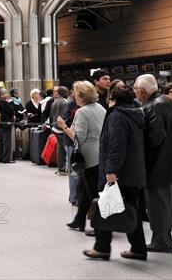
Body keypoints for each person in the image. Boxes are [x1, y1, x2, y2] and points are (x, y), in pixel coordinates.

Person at [82, 86, 148, 261]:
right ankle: (138, 248)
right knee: (131, 209)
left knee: (106, 207)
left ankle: (102, 248)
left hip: (120, 173)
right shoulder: (135, 114)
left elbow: (116, 147)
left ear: (114, 100)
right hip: (133, 171)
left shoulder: (117, 116)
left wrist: (111, 171)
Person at [134, 74, 172, 252]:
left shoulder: (153, 106)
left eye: (136, 90)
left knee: (156, 205)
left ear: (143, 92)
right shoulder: (165, 101)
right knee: (162, 201)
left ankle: (161, 241)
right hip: (171, 160)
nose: (135, 93)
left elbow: (154, 139)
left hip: (158, 164)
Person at [59, 81, 106, 235]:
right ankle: (79, 220)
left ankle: (99, 227)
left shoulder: (82, 112)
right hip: (100, 154)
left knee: (93, 192)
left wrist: (64, 126)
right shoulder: (100, 108)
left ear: (80, 96)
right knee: (84, 190)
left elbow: (78, 137)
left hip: (88, 157)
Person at [50, 86, 70, 175]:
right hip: (62, 128)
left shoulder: (55, 102)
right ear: (63, 93)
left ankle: (61, 168)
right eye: (66, 91)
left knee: (60, 149)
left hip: (55, 127)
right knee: (68, 149)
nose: (68, 93)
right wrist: (66, 127)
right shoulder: (65, 102)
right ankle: (69, 168)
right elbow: (64, 116)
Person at [0, 88, 16, 163]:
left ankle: (0, 158)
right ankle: (6, 159)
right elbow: (11, 110)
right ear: (2, 94)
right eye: (5, 93)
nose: (7, 95)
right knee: (6, 141)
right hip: (5, 123)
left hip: (0, 123)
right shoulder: (2, 101)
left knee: (0, 141)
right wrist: (10, 103)